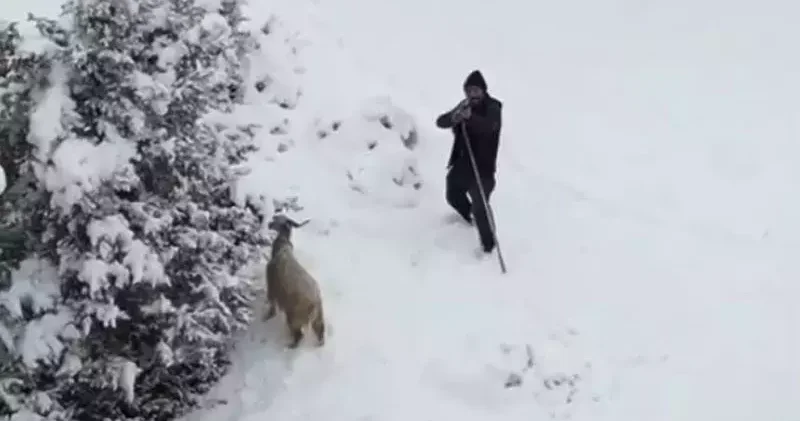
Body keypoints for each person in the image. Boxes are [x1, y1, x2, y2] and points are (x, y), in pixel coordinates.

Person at [435, 70, 503, 255]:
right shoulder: (464, 106)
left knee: (480, 204)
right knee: (452, 194)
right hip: (464, 163)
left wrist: (469, 118)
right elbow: (441, 121)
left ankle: (489, 246)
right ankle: (469, 216)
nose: (472, 95)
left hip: (483, 168)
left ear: (483, 91)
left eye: (476, 91)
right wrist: (454, 118)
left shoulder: (493, 108)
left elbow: (489, 127)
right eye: (469, 91)